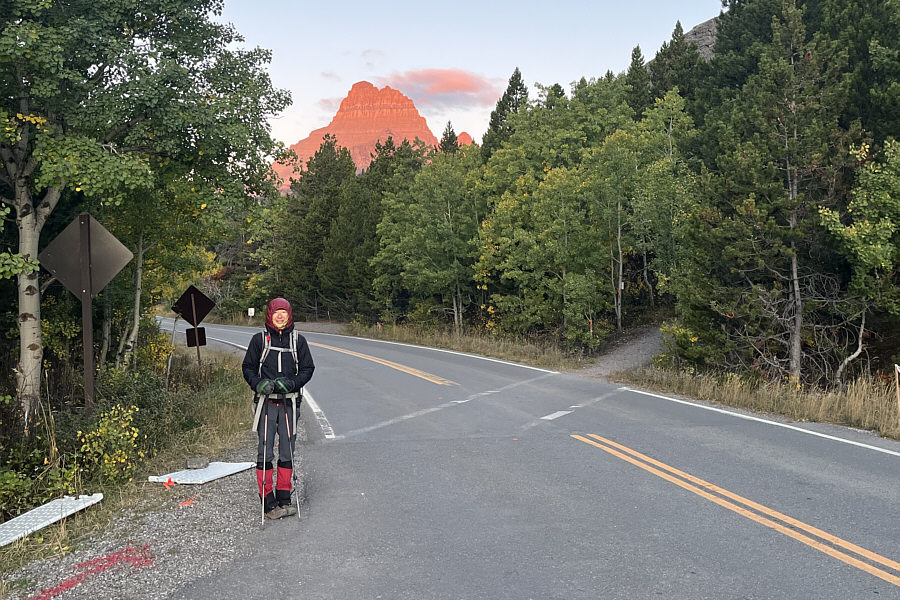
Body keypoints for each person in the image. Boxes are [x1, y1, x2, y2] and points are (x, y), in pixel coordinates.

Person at [242, 297, 315, 519]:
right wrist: (258, 384)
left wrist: (292, 383)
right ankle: (268, 502)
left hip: (290, 403)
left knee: (287, 451)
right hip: (266, 404)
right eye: (276, 313)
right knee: (265, 450)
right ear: (269, 315)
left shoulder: (297, 341)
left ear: (289, 315)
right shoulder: (259, 340)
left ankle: (284, 498)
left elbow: (308, 368)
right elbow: (248, 367)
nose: (280, 316)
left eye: (284, 312)